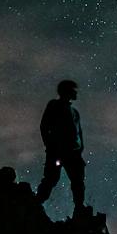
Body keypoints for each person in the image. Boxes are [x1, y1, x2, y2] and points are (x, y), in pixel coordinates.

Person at [36, 78, 85, 212]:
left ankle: (79, 208)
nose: (76, 93)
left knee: (77, 181)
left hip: (73, 153)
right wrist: (50, 146)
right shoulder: (54, 105)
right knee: (51, 178)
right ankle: (36, 203)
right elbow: (44, 126)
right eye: (73, 90)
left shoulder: (74, 112)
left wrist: (80, 149)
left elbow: (79, 132)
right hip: (58, 151)